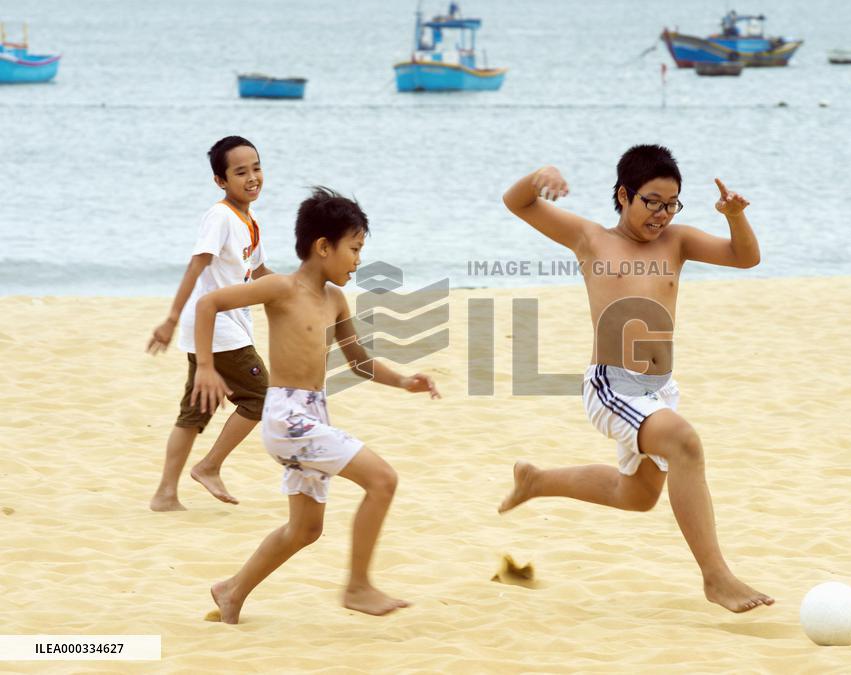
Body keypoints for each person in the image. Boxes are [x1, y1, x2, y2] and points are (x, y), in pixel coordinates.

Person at [497, 144, 774, 613]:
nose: (662, 215)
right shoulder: (591, 239)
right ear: (624, 195)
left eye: (671, 204)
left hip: (659, 388)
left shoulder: (678, 242)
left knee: (639, 495)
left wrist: (734, 217)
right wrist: (538, 174)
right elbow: (516, 202)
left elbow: (745, 258)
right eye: (652, 202)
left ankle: (537, 481)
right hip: (612, 387)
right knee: (685, 443)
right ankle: (717, 577)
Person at [193, 187, 440, 622]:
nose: (359, 260)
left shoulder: (336, 300)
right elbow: (209, 303)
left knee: (305, 529)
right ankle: (358, 586)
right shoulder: (280, 289)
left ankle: (231, 591)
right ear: (323, 247)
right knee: (383, 480)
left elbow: (360, 363)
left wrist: (403, 381)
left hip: (314, 413)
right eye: (355, 249)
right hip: (287, 418)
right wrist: (207, 367)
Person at [148, 136, 272, 511]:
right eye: (240, 172)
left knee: (196, 410)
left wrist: (303, 291)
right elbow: (196, 266)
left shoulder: (249, 220)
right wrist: (170, 319)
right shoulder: (219, 217)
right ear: (221, 181)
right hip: (217, 330)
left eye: (256, 168)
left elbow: (262, 272)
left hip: (218, 328)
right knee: (261, 396)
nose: (251, 178)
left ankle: (164, 494)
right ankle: (210, 465)